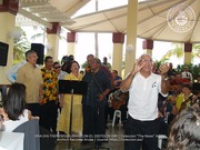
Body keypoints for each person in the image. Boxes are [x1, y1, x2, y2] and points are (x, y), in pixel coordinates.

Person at [120, 53, 170, 150]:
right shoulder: (132, 75)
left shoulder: (158, 78)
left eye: (150, 60)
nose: (148, 63)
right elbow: (122, 89)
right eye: (145, 60)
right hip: (133, 120)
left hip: (151, 121)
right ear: (139, 62)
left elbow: (165, 92)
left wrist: (164, 75)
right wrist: (133, 73)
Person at [82, 58, 112, 145]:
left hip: (98, 103)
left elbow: (109, 87)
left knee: (99, 122)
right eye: (90, 62)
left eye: (93, 62)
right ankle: (86, 138)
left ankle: (99, 140)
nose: (90, 63)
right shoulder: (87, 74)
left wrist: (103, 95)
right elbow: (82, 85)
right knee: (87, 121)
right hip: (86, 101)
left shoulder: (103, 74)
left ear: (98, 64)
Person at [57, 61, 83, 135]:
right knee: (68, 117)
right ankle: (67, 132)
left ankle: (75, 131)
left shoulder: (82, 76)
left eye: (77, 65)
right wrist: (61, 101)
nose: (75, 67)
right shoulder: (67, 77)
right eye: (73, 66)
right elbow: (63, 91)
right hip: (68, 101)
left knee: (77, 118)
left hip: (79, 102)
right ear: (71, 68)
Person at [16, 50, 43, 116]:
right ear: (28, 58)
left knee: (35, 121)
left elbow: (41, 85)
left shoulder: (38, 70)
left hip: (36, 101)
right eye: (34, 56)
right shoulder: (22, 69)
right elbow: (19, 86)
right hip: (26, 101)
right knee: (26, 121)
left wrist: (41, 97)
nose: (36, 58)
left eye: (36, 56)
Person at [40, 56, 59, 133]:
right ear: (45, 62)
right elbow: (39, 85)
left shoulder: (54, 72)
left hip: (53, 99)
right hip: (44, 99)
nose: (51, 63)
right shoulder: (41, 72)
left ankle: (53, 134)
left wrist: (57, 98)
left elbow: (56, 85)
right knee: (44, 119)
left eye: (52, 62)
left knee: (53, 118)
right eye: (49, 62)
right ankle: (45, 135)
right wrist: (40, 97)